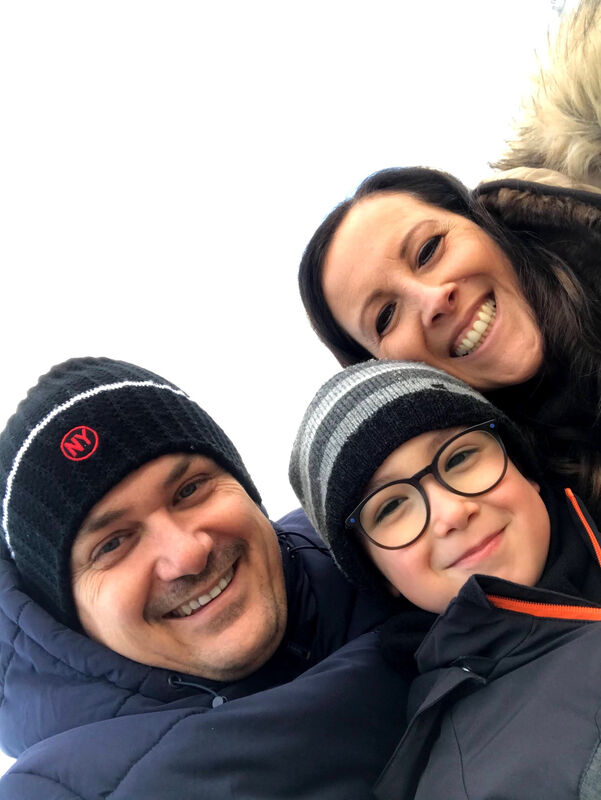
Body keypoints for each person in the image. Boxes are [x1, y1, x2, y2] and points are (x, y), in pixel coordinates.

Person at [0, 356, 407, 799]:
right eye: (113, 543)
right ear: (68, 615)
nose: (188, 555)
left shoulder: (397, 545)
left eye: (190, 490)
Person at [297, 0, 601, 520]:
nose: (433, 299)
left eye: (428, 250)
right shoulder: (511, 515)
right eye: (385, 316)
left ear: (484, 225)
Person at [290, 358, 601, 799]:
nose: (452, 513)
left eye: (460, 457)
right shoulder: (466, 779)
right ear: (381, 575)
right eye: (391, 507)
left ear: (523, 468)